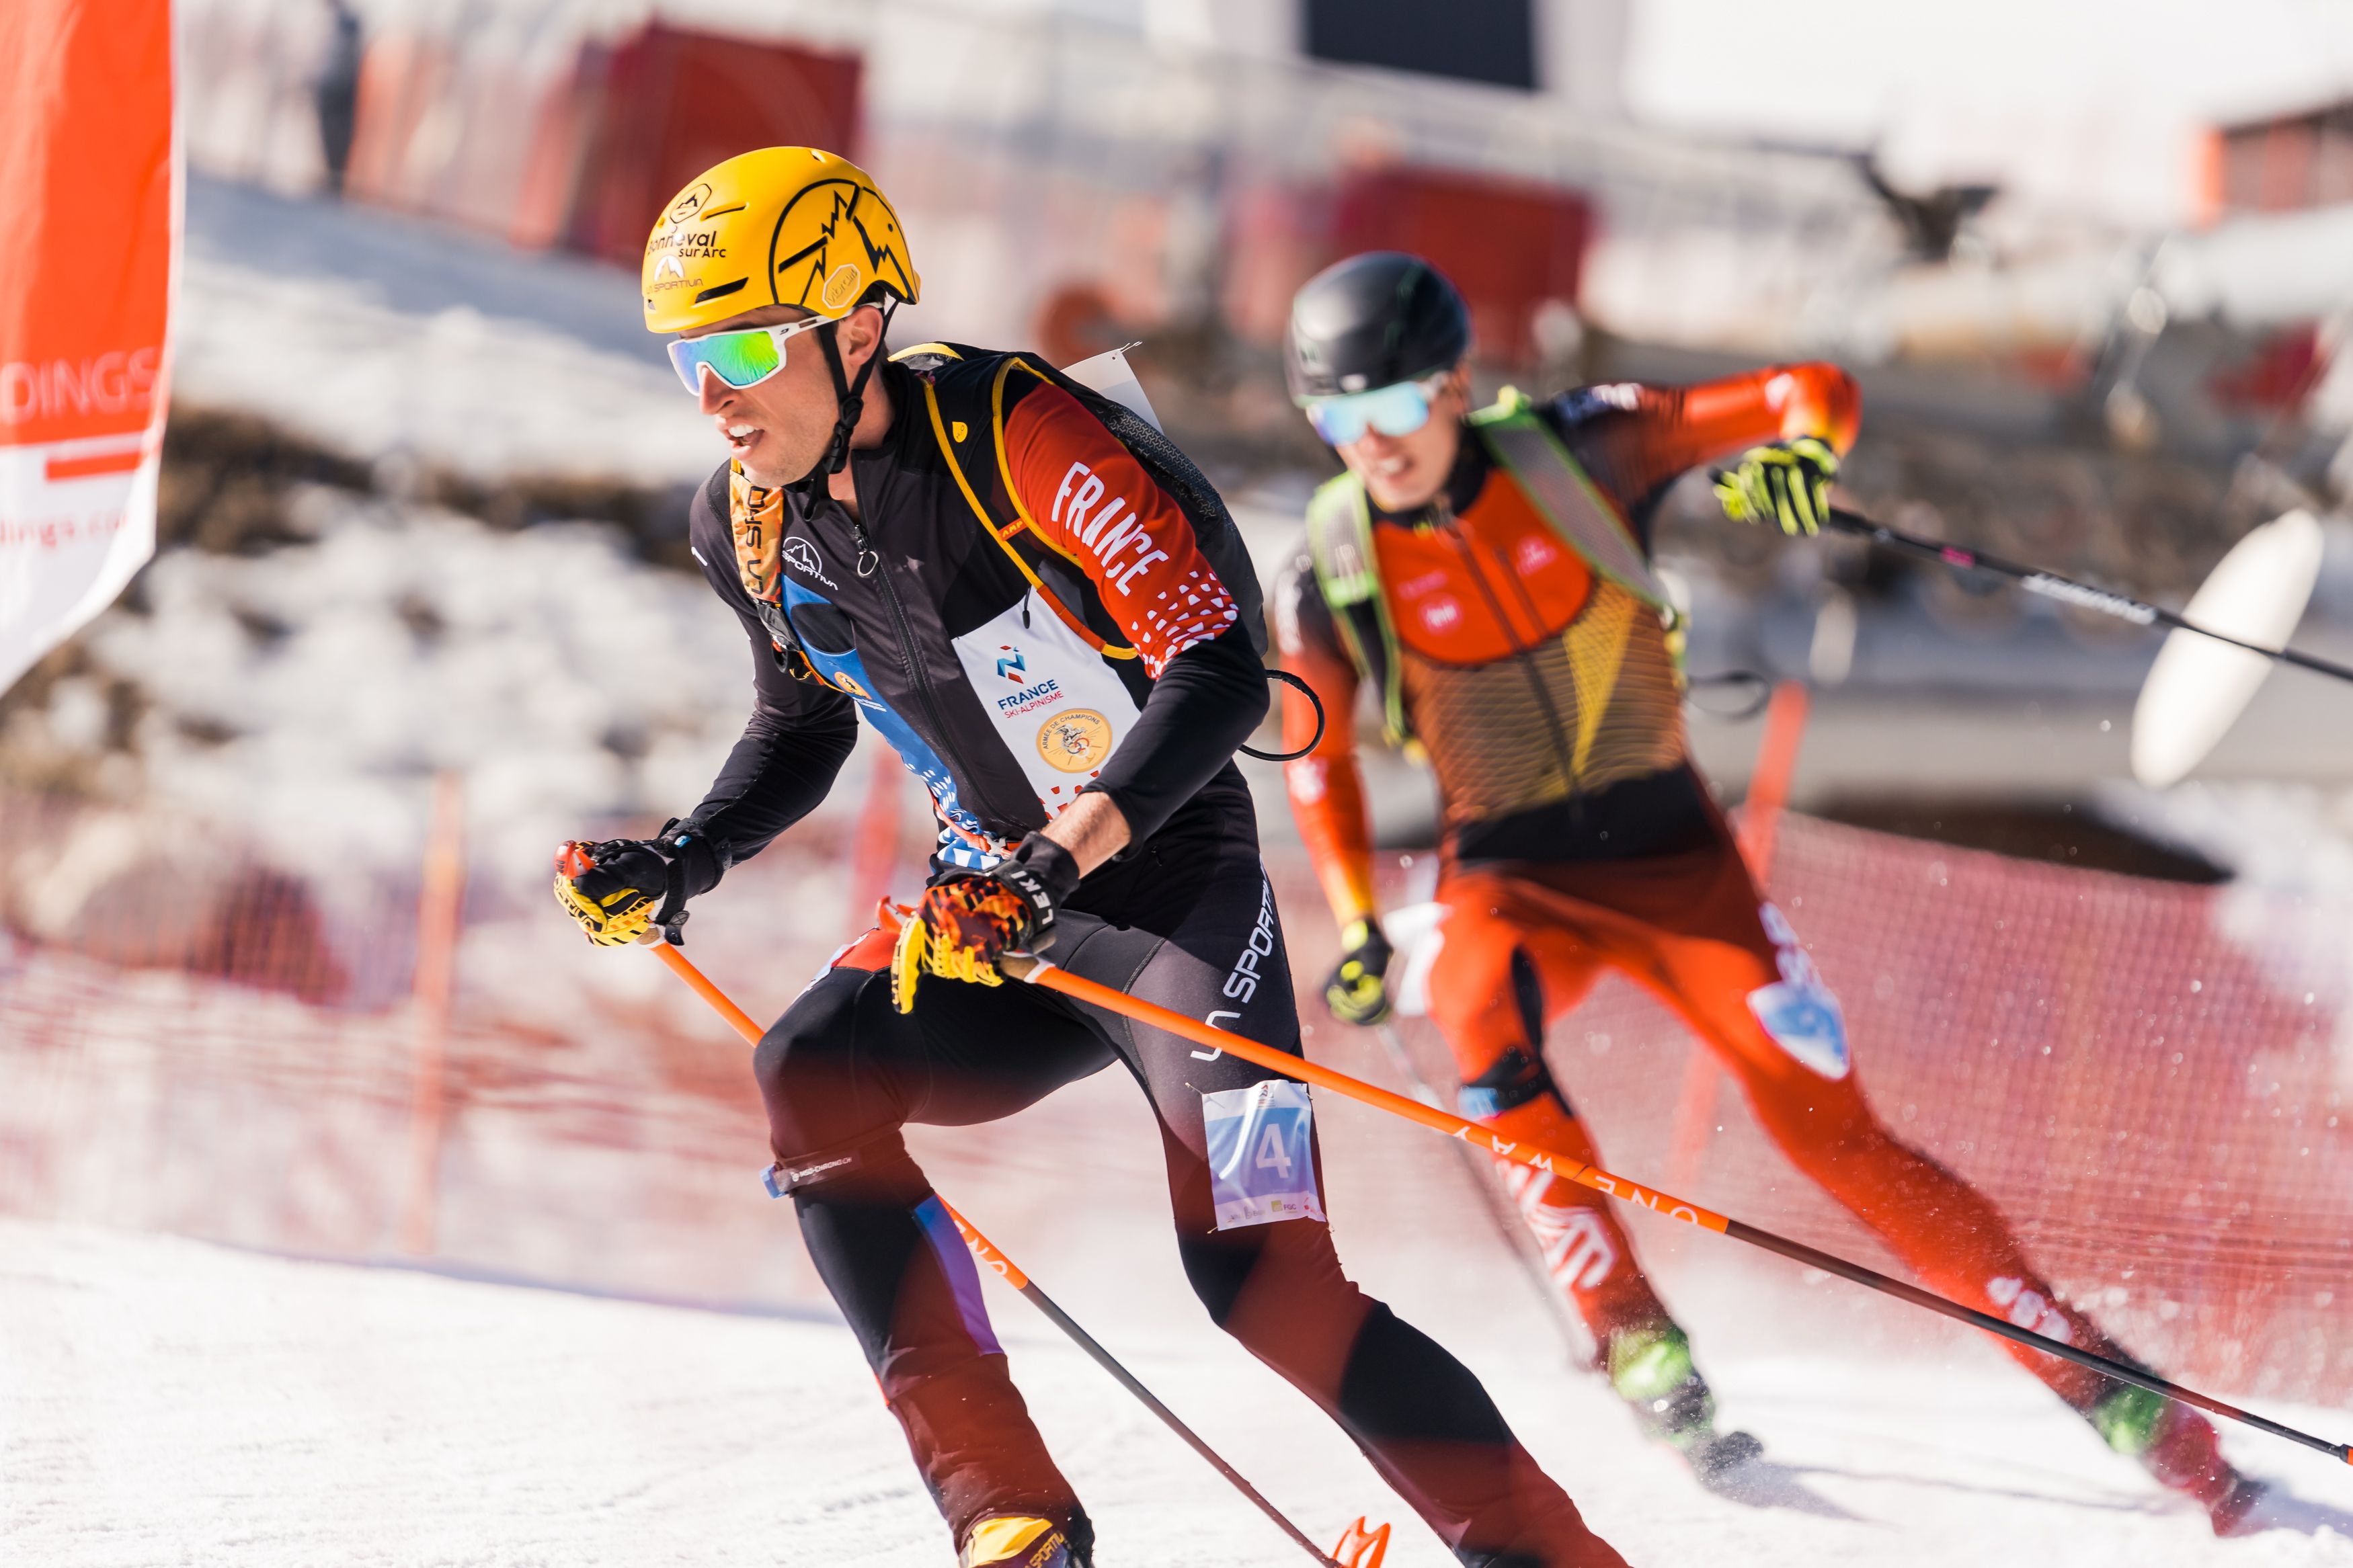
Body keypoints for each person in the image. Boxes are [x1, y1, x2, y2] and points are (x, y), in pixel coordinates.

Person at [555, 151, 1633, 1568]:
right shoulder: (744, 520)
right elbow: (800, 715)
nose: (713, 389)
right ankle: (1009, 1515)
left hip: (1172, 900)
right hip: (999, 921)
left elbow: (1215, 674)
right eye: (689, 353)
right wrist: (685, 857)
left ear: (858, 324)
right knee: (811, 1073)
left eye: (748, 344)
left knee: (1263, 1283)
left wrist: (1056, 864)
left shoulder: (1020, 435)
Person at [1271, 250, 2264, 1530]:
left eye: (1394, 409)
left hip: (1678, 866)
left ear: (1456, 385)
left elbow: (1814, 387)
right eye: (1337, 421)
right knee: (1476, 1020)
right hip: (1511, 875)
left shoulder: (1592, 444)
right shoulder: (1328, 568)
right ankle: (1629, 1330)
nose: (1373, 446)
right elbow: (1319, 770)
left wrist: (1804, 457)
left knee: (1833, 1134)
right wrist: (1356, 913)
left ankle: (2096, 1372)